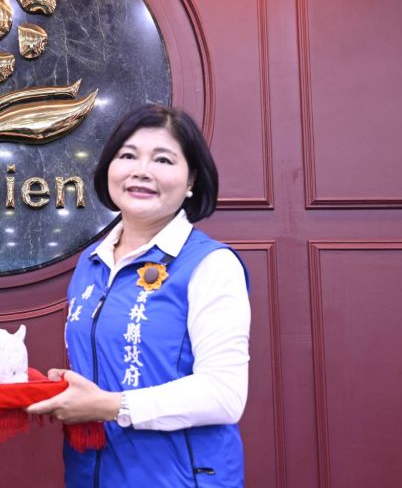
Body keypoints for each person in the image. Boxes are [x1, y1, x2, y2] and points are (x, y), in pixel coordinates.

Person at [28, 104, 251, 488]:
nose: (141, 171)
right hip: (91, 475)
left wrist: (110, 406)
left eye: (163, 160)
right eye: (128, 155)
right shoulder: (92, 262)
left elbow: (224, 394)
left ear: (191, 179)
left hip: (180, 479)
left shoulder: (210, 264)